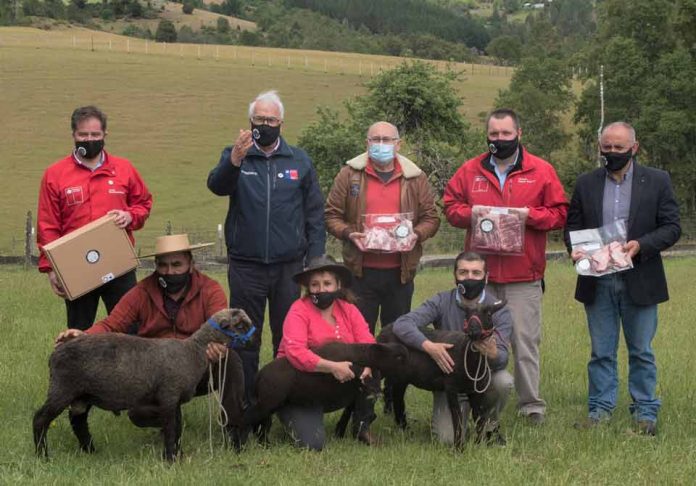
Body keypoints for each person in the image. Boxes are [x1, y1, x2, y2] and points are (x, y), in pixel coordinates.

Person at [443, 108, 568, 425]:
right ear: (487, 135)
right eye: (494, 134)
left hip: (522, 275)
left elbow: (559, 214)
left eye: (506, 134)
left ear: (519, 134)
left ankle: (531, 406)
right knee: (474, 339)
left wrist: (528, 216)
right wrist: (473, 214)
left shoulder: (541, 170)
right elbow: (450, 207)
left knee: (524, 343)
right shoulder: (470, 170)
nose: (499, 139)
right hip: (479, 279)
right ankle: (474, 397)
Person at [54, 234, 245, 439]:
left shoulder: (210, 289)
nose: (169, 271)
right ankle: (171, 424)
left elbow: (221, 326)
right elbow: (113, 323)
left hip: (197, 366)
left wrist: (218, 347)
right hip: (155, 374)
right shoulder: (142, 291)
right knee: (139, 413)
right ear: (155, 265)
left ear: (191, 264)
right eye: (163, 265)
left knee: (230, 361)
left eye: (176, 264)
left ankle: (235, 429)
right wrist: (83, 335)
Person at [207, 90, 326, 404]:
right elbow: (217, 186)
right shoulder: (235, 155)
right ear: (250, 122)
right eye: (259, 119)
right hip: (247, 266)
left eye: (271, 120)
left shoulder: (299, 160)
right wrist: (234, 161)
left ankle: (281, 400)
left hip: (290, 267)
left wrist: (315, 258)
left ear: (281, 123)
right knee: (245, 337)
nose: (265, 124)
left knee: (288, 337)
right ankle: (242, 403)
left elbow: (315, 213)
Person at [565, 122, 681, 436]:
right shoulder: (586, 183)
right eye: (607, 147)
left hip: (641, 278)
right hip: (598, 281)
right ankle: (599, 410)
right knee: (601, 351)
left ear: (634, 147)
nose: (612, 153)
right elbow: (572, 227)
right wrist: (576, 250)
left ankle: (646, 412)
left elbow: (672, 227)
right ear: (600, 147)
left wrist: (641, 245)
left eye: (619, 147)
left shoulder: (657, 180)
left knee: (641, 350)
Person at [37, 105, 153, 330]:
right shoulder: (55, 174)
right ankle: (74, 366)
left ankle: (129, 367)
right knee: (79, 331)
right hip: (76, 266)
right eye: (83, 135)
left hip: (118, 263)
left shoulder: (124, 168)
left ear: (104, 136)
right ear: (73, 135)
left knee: (130, 328)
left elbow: (143, 203)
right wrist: (51, 268)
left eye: (95, 135)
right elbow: (48, 225)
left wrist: (130, 216)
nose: (89, 139)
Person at [325, 121, 440, 335]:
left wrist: (416, 234)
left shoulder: (415, 177)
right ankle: (362, 370)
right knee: (358, 336)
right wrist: (349, 233)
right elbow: (331, 215)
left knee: (396, 336)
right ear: (366, 143)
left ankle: (390, 371)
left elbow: (431, 219)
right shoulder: (349, 175)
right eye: (375, 139)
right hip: (359, 273)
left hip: (400, 273)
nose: (380, 144)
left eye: (386, 140)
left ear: (398, 144)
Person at [393, 251, 513, 445]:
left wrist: (493, 353)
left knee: (504, 381)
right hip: (448, 379)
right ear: (455, 275)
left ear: (486, 276)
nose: (470, 278)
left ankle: (489, 426)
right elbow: (402, 324)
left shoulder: (498, 309)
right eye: (463, 272)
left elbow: (502, 360)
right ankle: (461, 416)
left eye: (476, 273)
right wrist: (428, 346)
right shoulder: (441, 301)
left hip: (480, 378)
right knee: (447, 440)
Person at [275, 255, 378, 450]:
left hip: (333, 382)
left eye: (327, 283)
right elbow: (295, 352)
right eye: (315, 284)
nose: (321, 289)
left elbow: (367, 341)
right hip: (299, 385)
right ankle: (287, 412)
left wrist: (368, 364)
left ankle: (362, 425)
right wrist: (331, 366)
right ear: (308, 287)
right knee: (312, 443)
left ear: (338, 285)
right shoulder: (298, 310)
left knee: (376, 362)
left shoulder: (349, 309)